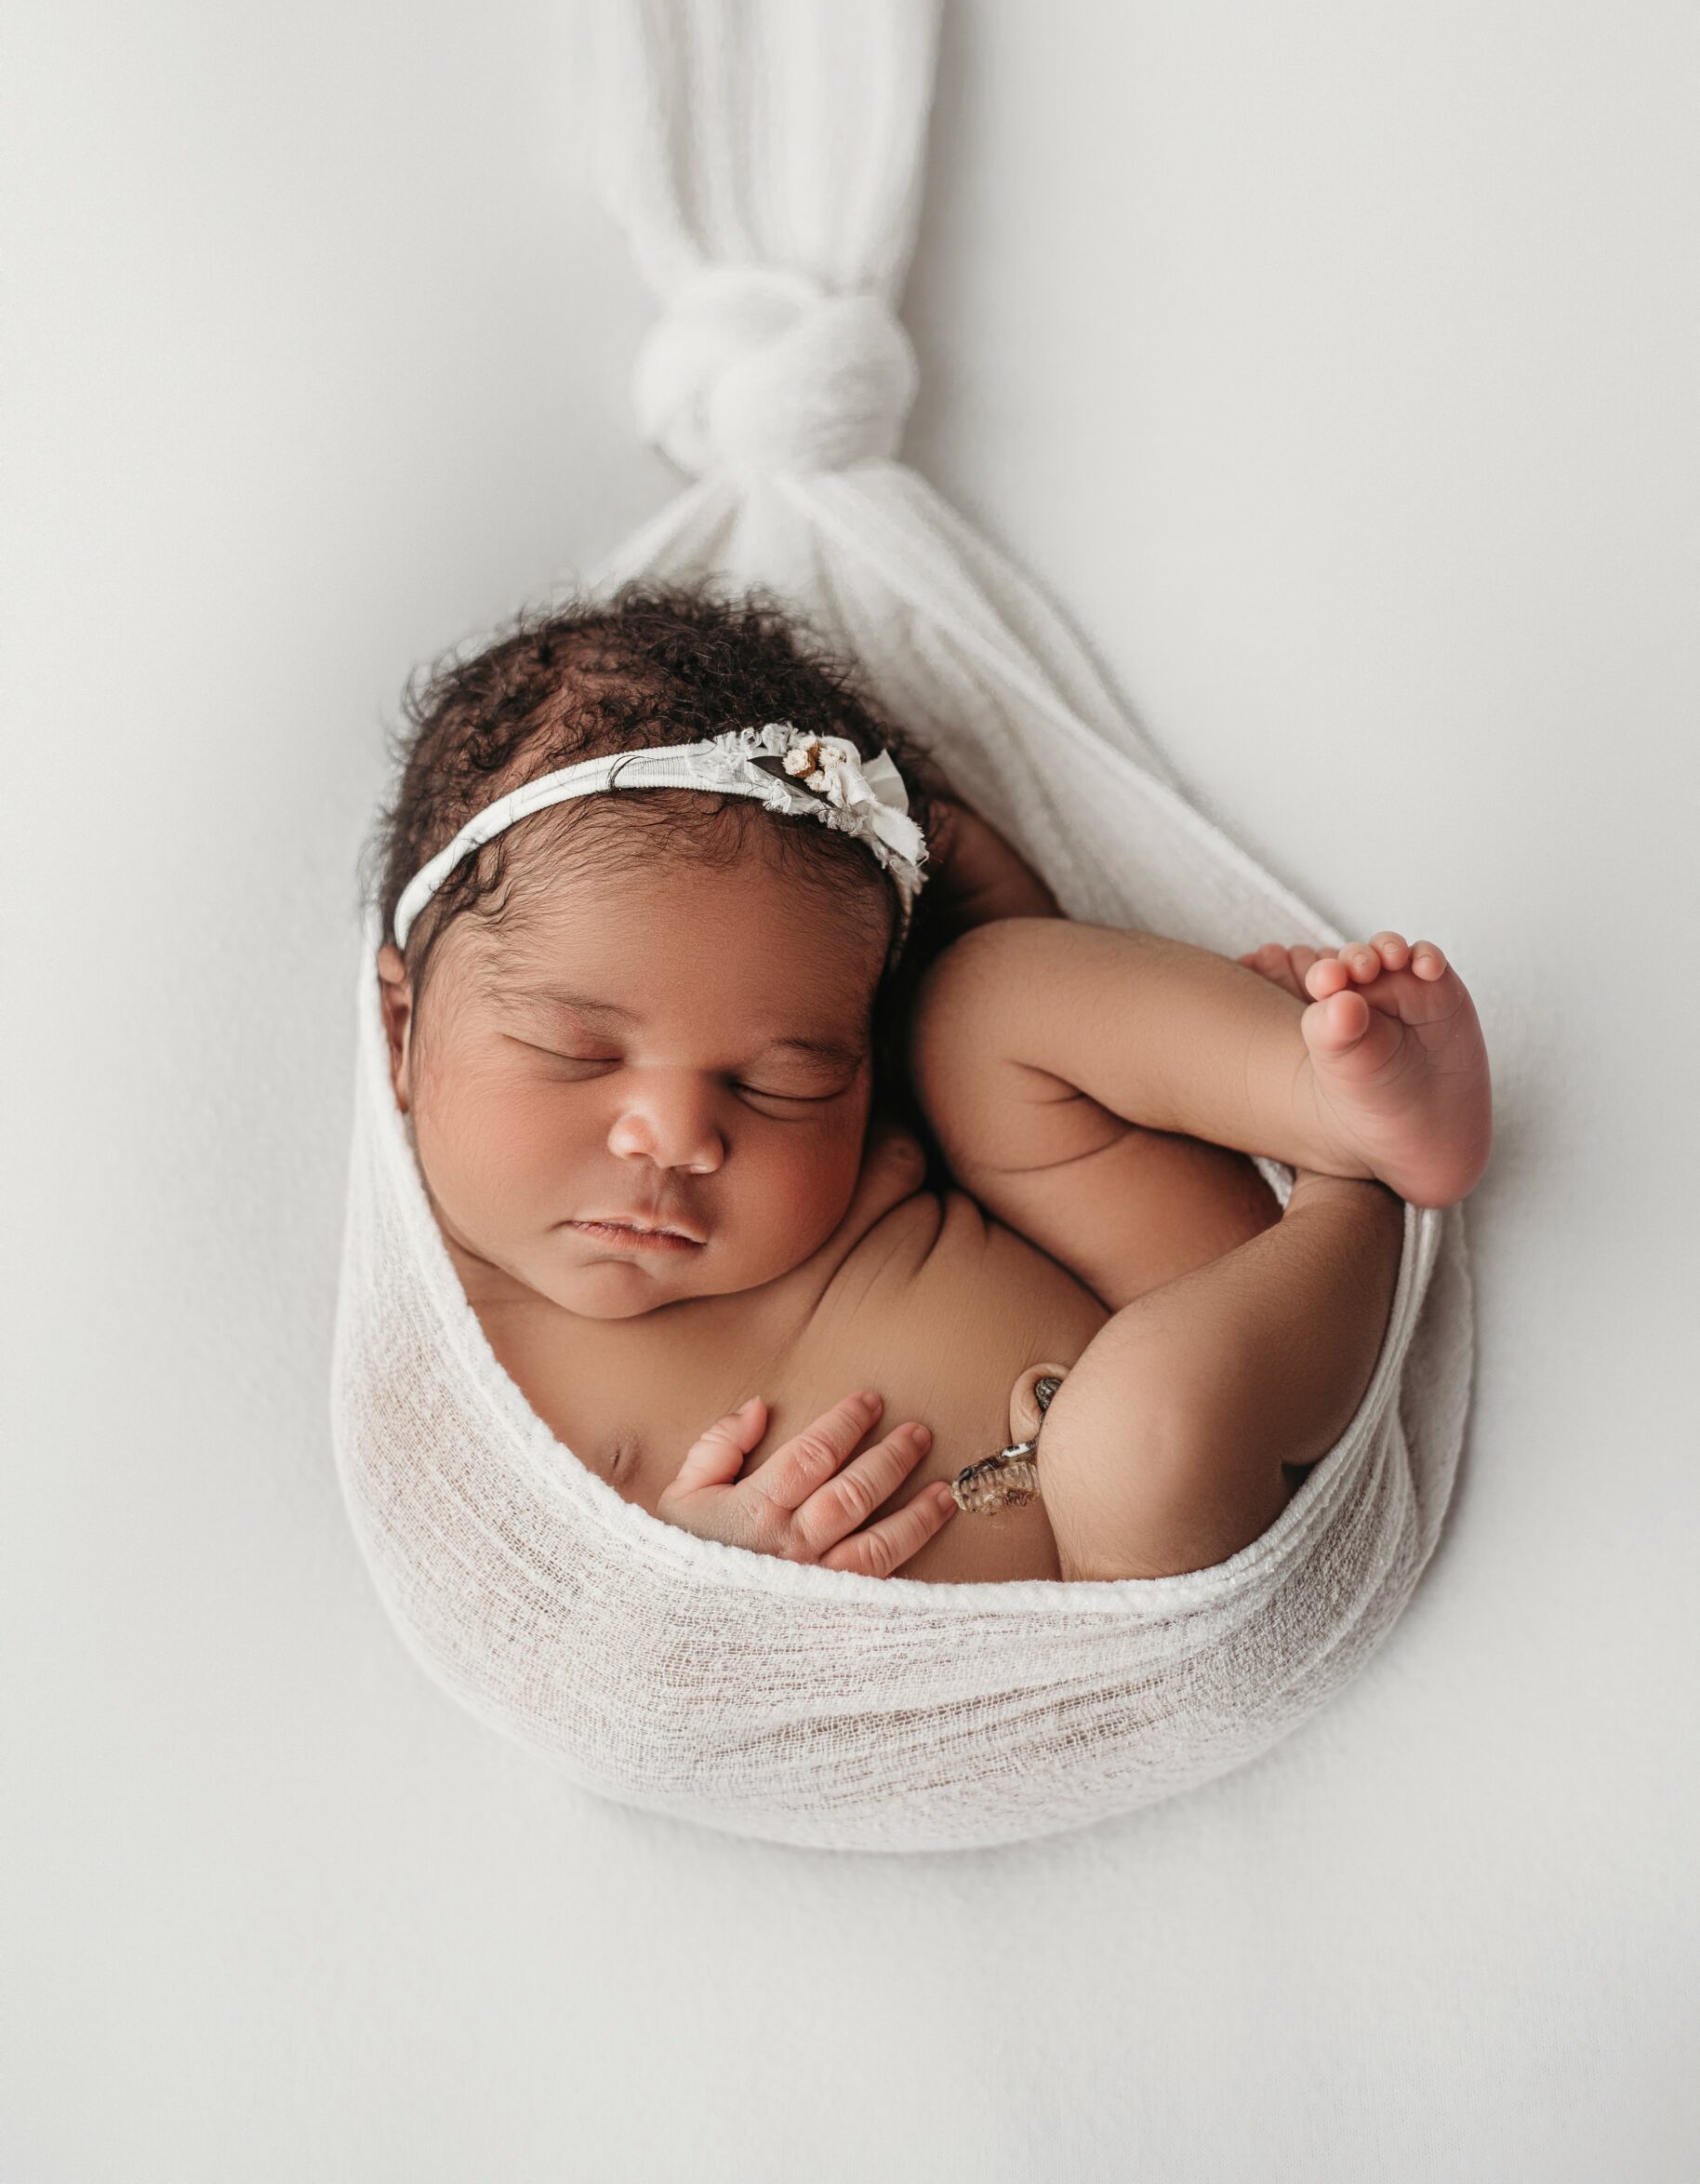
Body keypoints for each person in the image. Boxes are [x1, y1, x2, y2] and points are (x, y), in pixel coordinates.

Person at [366, 578, 1490, 1585]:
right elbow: (548, 1633)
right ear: (404, 1024)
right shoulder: (450, 1356)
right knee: (1140, 1432)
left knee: (984, 994)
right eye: (580, 1054)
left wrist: (859, 813)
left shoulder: (868, 1082)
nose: (676, 1135)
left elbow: (989, 903)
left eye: (780, 1082)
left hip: (1215, 1293)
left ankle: (1323, 1098)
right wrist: (700, 1579)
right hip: (1142, 1546)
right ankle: (1355, 1191)